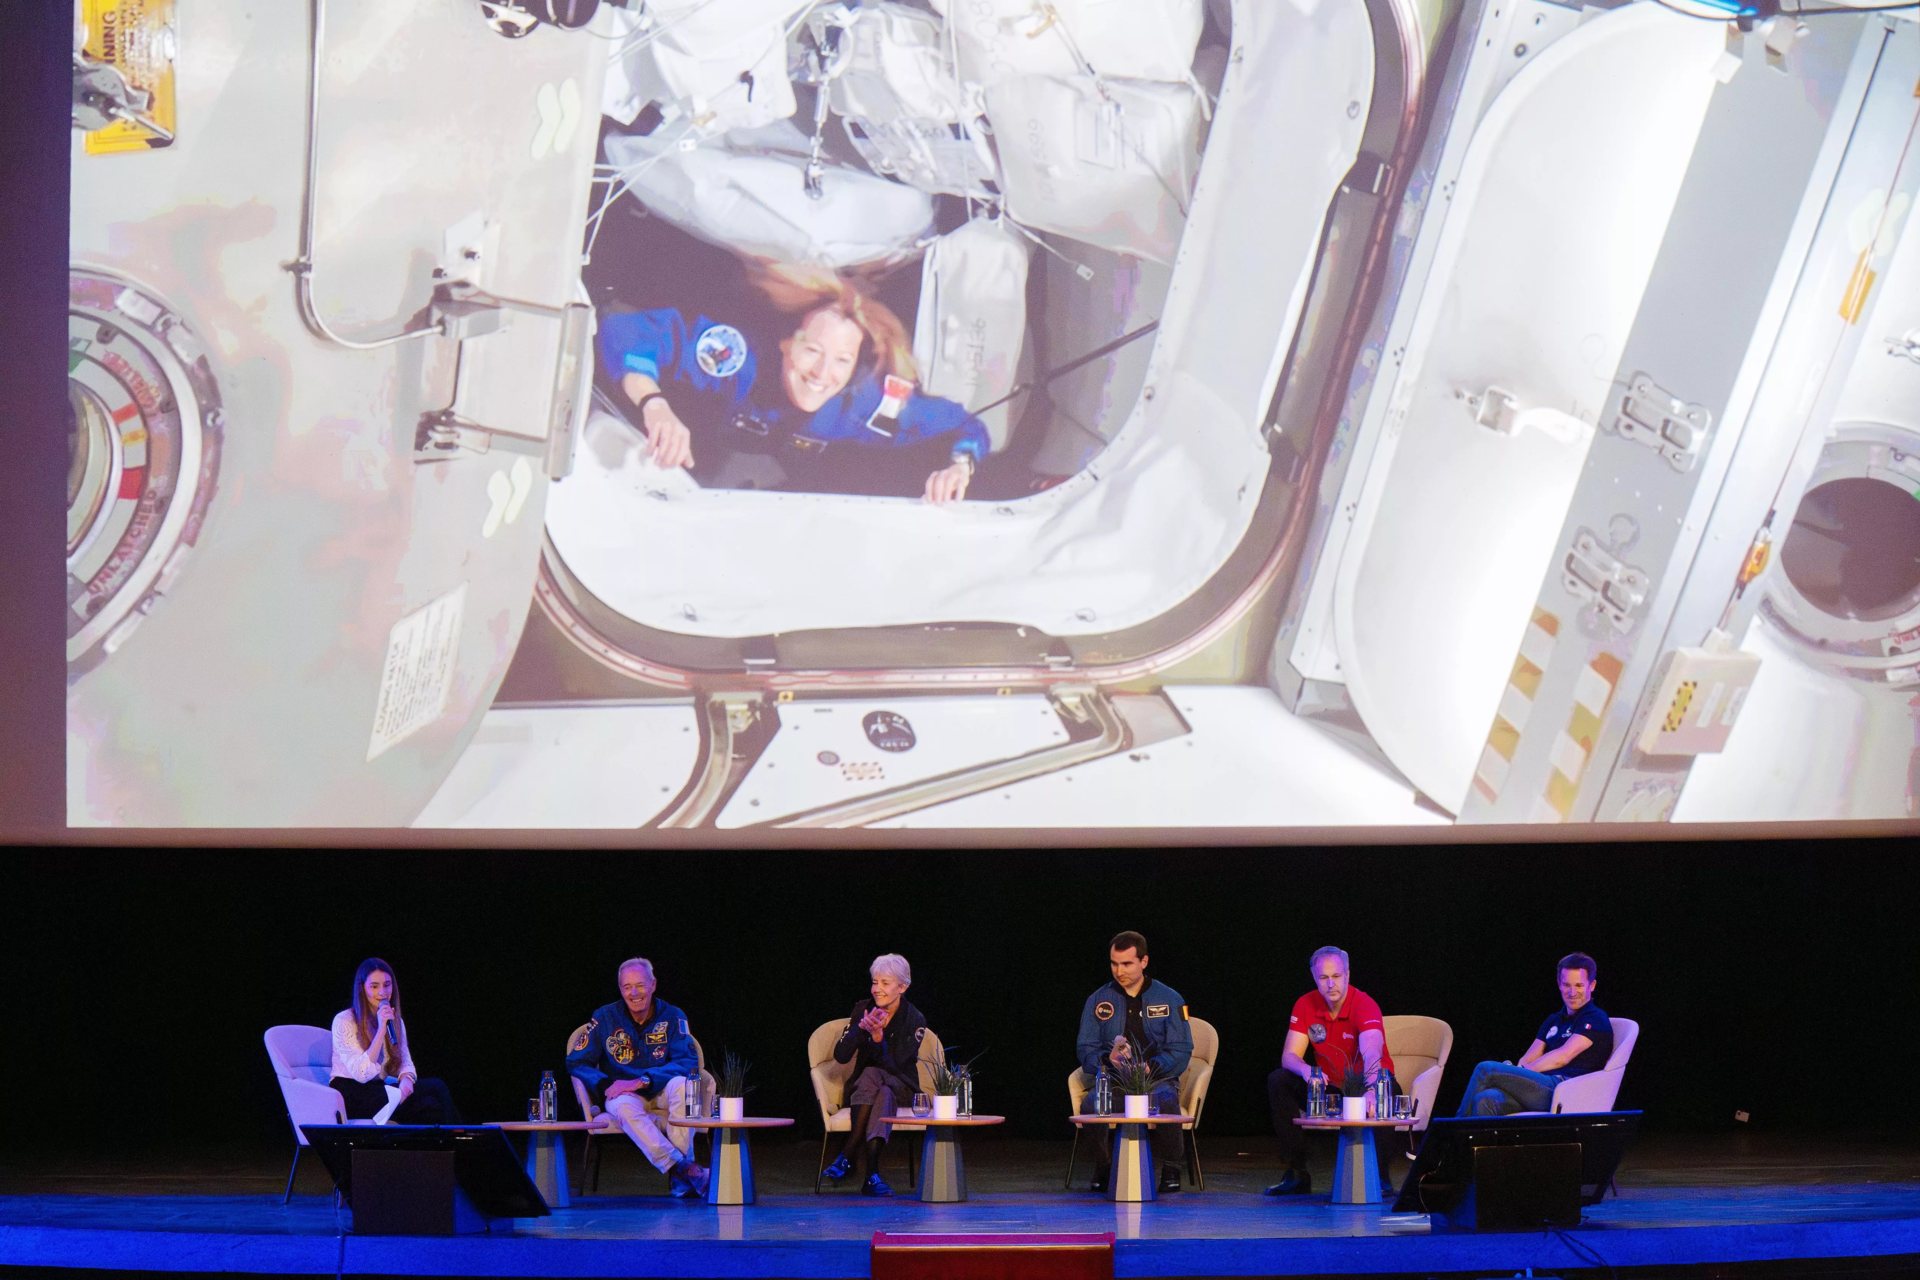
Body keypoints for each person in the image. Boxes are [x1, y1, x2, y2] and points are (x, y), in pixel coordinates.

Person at [596, 281, 990, 503]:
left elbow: (964, 426)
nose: (822, 373)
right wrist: (654, 403)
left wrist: (960, 465)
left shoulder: (873, 405)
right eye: (812, 351)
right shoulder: (740, 359)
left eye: (841, 360)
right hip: (709, 449)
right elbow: (627, 330)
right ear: (786, 345)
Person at [566, 957, 711, 1198]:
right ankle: (684, 1169)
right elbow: (575, 1061)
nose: (634, 993)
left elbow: (688, 1062)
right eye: (627, 987)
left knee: (683, 1085)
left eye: (641, 985)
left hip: (661, 1088)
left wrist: (644, 1079)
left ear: (653, 985)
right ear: (620, 989)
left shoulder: (674, 1016)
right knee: (621, 1106)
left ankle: (683, 1175)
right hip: (624, 1094)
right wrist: (604, 1083)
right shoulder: (604, 1017)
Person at [1265, 946, 1401, 1197]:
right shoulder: (1305, 1004)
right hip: (1331, 1085)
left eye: (1336, 977)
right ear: (1315, 977)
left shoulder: (1364, 1004)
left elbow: (1372, 1052)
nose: (1330, 984)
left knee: (1386, 1089)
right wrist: (1306, 1070)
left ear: (1347, 974)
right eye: (1323, 978)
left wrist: (1371, 1089)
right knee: (1279, 1080)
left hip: (1367, 1080)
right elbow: (1289, 1055)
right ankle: (1296, 1172)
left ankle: (1380, 1175)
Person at [1075, 930, 1194, 1194]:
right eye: (1114, 963)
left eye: (1127, 963)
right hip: (1116, 1081)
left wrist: (1152, 1067)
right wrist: (1108, 1060)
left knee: (1166, 1099)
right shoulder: (1097, 1000)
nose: (1119, 971)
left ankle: (1172, 1166)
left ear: (1144, 961)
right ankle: (1103, 1165)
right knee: (1091, 1103)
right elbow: (1085, 1049)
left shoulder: (1171, 999)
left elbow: (1182, 1049)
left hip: (1156, 1079)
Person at [821, 953, 930, 1197]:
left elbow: (896, 1067)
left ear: (902, 987)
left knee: (874, 1074)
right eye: (874, 982)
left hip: (904, 1086)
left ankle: (847, 1154)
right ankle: (872, 1175)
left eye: (885, 983)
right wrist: (859, 1031)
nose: (876, 989)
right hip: (870, 1091)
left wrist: (879, 1040)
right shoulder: (863, 1009)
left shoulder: (914, 1019)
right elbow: (841, 1056)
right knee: (882, 1093)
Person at [1453, 952, 1613, 1117]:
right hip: (1540, 1089)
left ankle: (1455, 1132)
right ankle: (1477, 1142)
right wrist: (1517, 1073)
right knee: (1486, 1098)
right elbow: (1528, 1058)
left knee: (1486, 1069)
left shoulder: (1595, 1018)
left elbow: (1563, 1056)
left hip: (1566, 1090)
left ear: (1591, 985)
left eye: (1579, 985)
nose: (1572, 992)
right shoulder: (1553, 1020)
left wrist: (1517, 1072)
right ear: (1559, 984)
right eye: (1567, 985)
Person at [328, 957, 462, 1126]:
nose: (382, 993)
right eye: (374, 986)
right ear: (363, 988)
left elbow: (405, 1059)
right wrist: (381, 1030)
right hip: (351, 1092)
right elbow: (360, 1074)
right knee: (436, 1088)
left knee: (431, 1106)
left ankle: (445, 1147)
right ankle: (463, 1141)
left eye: (387, 985)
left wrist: (406, 1079)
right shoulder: (344, 1020)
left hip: (377, 1088)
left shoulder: (395, 1021)